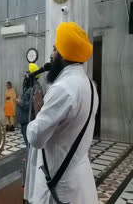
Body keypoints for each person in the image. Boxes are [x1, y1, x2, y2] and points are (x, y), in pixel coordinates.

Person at [24, 22, 99, 204]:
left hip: (63, 185)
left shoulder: (63, 88)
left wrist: (38, 112)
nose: (51, 55)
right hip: (79, 176)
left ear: (64, 54)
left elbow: (36, 137)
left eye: (54, 49)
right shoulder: (89, 85)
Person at [16, 63, 42, 144]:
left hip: (29, 122)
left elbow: (32, 106)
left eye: (28, 72)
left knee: (30, 147)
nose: (26, 75)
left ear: (33, 74)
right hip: (24, 121)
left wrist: (20, 101)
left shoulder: (36, 88)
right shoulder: (29, 86)